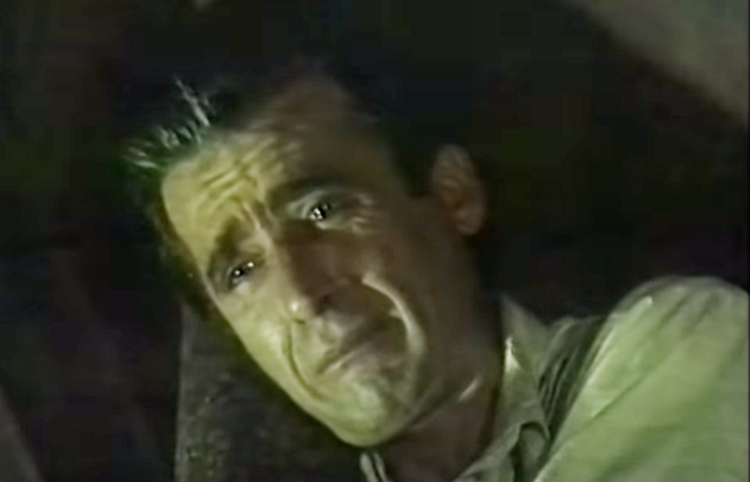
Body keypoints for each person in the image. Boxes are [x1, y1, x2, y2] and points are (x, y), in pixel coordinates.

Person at [124, 60, 748, 482]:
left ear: (455, 195)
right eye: (242, 271)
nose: (303, 295)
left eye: (322, 210)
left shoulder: (677, 353)